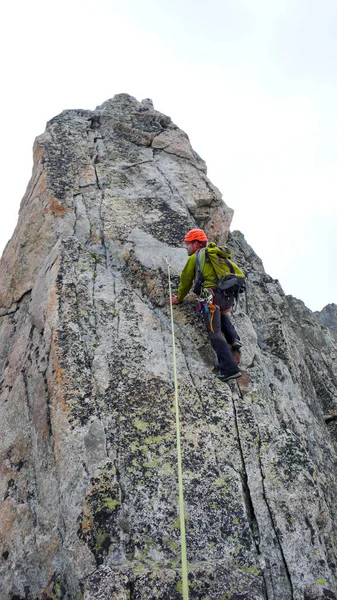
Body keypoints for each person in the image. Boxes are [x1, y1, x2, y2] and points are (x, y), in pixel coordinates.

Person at [168, 228, 242, 382]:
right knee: (221, 313)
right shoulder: (217, 255)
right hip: (227, 296)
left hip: (211, 297)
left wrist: (179, 298)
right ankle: (234, 338)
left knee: (214, 332)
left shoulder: (194, 258)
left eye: (187, 244)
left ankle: (229, 369)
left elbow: (185, 281)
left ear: (195, 244)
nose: (185, 247)